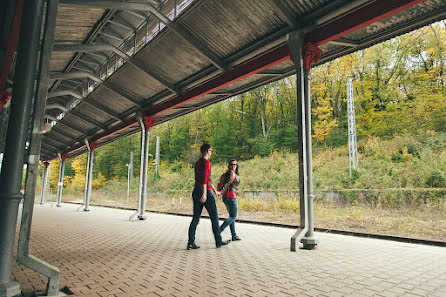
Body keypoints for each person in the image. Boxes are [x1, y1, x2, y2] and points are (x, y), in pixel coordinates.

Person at [187, 143, 230, 250]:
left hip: (196, 191)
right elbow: (204, 179)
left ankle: (190, 242)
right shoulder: (206, 163)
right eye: (210, 150)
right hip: (204, 192)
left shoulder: (198, 163)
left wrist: (215, 191)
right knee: (214, 217)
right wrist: (205, 194)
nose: (211, 152)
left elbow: (207, 179)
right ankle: (218, 241)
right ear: (207, 151)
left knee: (196, 218)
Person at [219, 159, 241, 241]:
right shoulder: (230, 173)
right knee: (233, 216)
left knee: (231, 216)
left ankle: (234, 235)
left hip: (227, 196)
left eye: (235, 164)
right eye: (231, 164)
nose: (233, 166)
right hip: (230, 196)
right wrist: (221, 191)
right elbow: (226, 182)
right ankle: (219, 230)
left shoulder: (233, 173)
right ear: (229, 165)